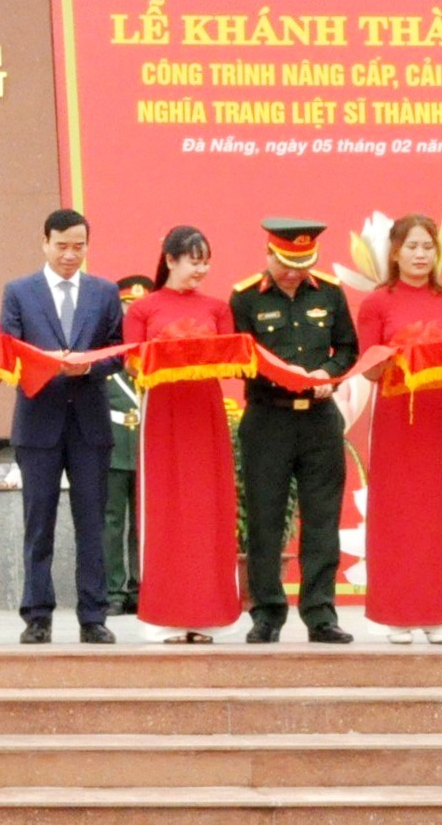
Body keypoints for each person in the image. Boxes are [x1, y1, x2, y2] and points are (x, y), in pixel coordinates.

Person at [230, 218, 358, 644]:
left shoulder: (330, 292)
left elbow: (349, 350)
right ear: (269, 254)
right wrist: (278, 376)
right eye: (286, 262)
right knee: (266, 520)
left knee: (322, 519)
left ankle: (321, 613)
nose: (293, 271)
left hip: (320, 419)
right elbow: (238, 357)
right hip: (268, 418)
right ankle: (267, 612)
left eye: (302, 262)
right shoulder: (245, 297)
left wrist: (328, 373)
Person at [0, 208, 122, 645]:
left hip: (90, 425)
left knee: (93, 524)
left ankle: (93, 616)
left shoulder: (104, 292)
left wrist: (86, 366)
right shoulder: (19, 292)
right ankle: (37, 615)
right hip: (38, 424)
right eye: (62, 246)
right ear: (45, 242)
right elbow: (8, 350)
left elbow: (118, 352)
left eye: (79, 246)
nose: (71, 255)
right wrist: (51, 366)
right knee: (39, 523)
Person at [355, 214, 442, 644]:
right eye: (412, 247)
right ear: (396, 252)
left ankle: (440, 612)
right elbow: (368, 369)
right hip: (394, 416)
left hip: (440, 414)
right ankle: (397, 613)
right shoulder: (376, 303)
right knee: (398, 512)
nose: (420, 254)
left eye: (428, 246)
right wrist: (400, 355)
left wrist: (436, 356)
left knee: (441, 512)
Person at [122, 226, 239, 644]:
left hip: (205, 412)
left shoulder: (218, 307)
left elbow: (229, 360)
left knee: (206, 508)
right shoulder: (142, 309)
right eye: (193, 259)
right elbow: (134, 363)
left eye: (205, 260)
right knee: (165, 508)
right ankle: (163, 617)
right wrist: (171, 351)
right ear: (170, 260)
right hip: (163, 413)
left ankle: (204, 614)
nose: (201, 269)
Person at [103, 275, 151, 618]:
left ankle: (143, 587)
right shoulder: (109, 357)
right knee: (111, 521)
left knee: (144, 522)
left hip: (149, 451)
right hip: (113, 449)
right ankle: (113, 590)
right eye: (126, 308)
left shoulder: (156, 358)